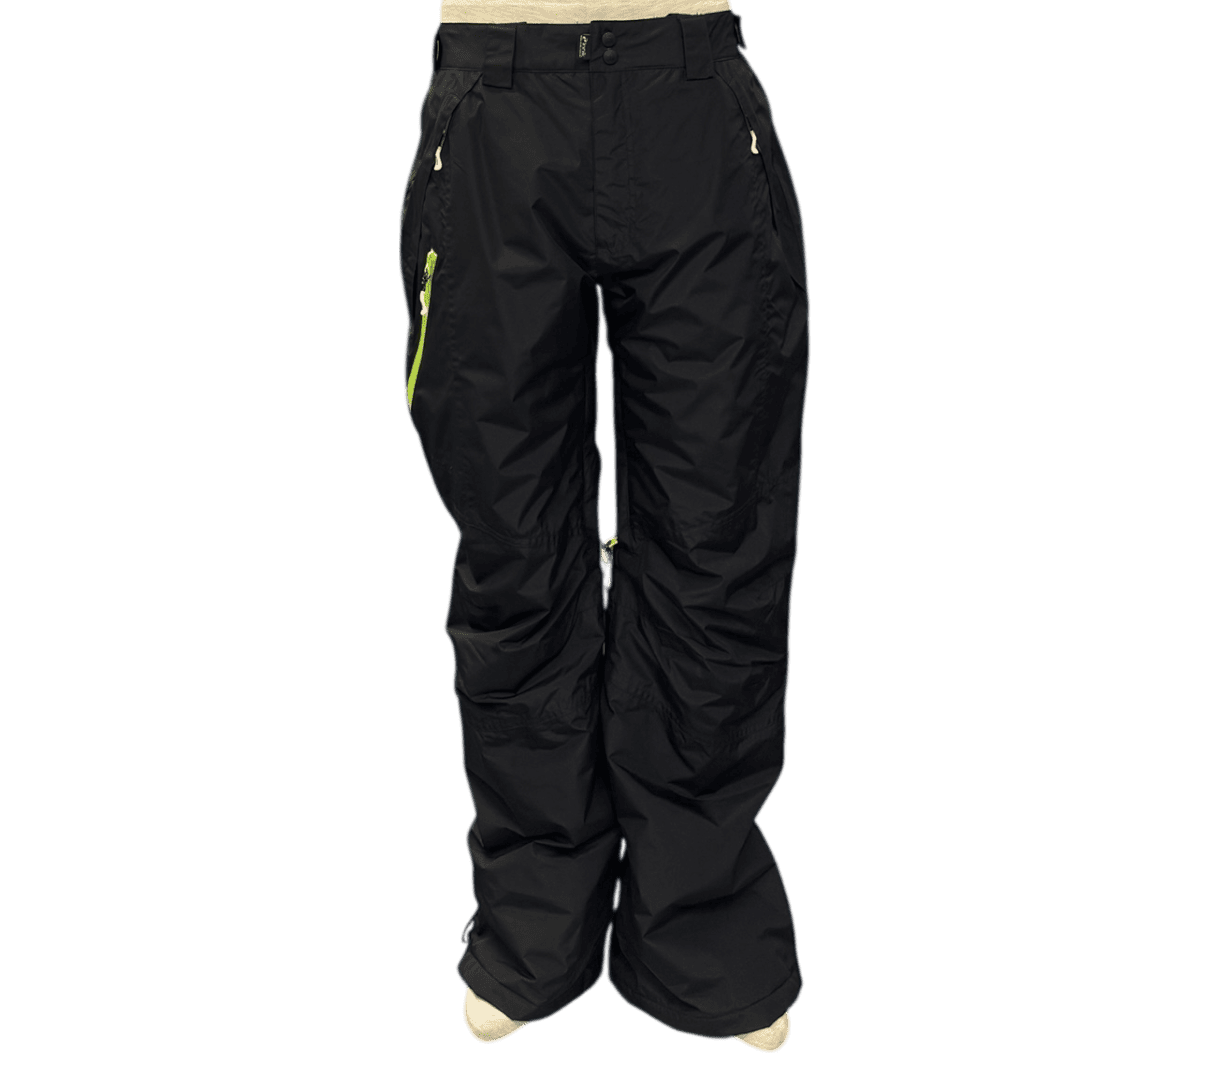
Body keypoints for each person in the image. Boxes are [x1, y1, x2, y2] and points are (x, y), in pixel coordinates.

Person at [399, 0, 810, 1053]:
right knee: (513, 549)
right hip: (495, 105)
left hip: (692, 96)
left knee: (719, 540)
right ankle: (534, 924)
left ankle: (704, 930)